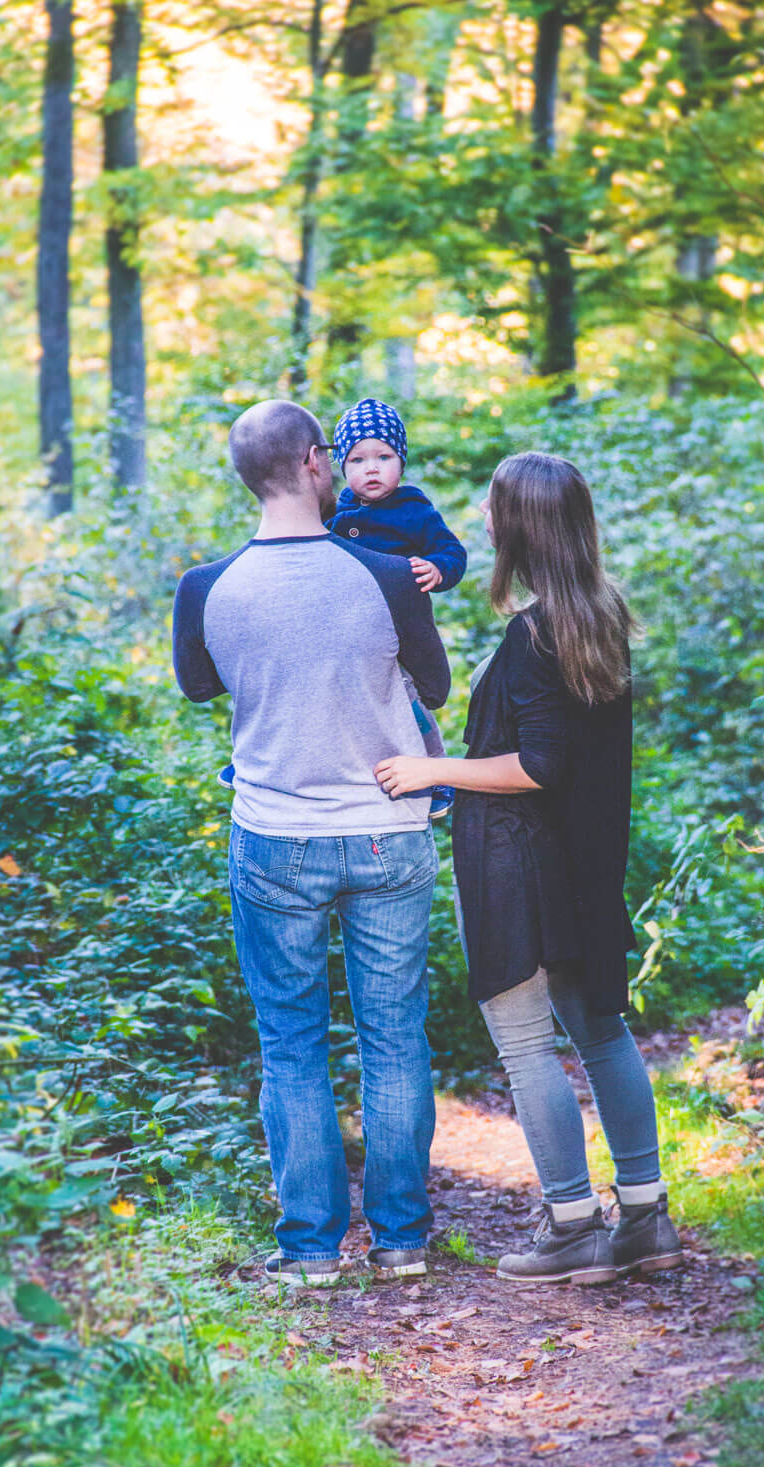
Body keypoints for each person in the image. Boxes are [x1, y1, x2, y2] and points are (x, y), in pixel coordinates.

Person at [375, 451, 683, 1286]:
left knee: (526, 1046)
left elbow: (540, 763)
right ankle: (645, 1218)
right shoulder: (599, 616)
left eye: (492, 505)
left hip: (517, 860)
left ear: (521, 525)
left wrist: (435, 771)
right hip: (584, 862)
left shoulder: (535, 632)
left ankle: (573, 1224)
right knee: (601, 1031)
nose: (479, 516)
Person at [173, 398, 450, 1287]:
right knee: (395, 1034)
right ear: (312, 464)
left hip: (275, 836)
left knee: (291, 1042)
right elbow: (436, 688)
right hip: (388, 833)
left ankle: (310, 1253)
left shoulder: (207, 588)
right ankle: (403, 1242)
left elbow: (198, 686)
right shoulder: (383, 574)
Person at [217, 397, 466, 818]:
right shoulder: (335, 509)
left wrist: (438, 569)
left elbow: (453, 552)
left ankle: (435, 773)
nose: (372, 468)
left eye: (384, 457)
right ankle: (252, 762)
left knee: (410, 703)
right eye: (357, 459)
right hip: (337, 623)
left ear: (401, 462)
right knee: (300, 689)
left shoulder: (415, 509)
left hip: (396, 628)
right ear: (336, 466)